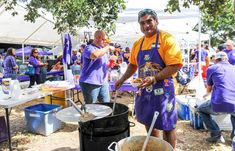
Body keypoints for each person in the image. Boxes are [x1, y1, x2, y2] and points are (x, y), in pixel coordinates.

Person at [115, 9, 182, 149]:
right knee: (150, 123)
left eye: (149, 21)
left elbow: (174, 65)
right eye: (142, 23)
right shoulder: (138, 43)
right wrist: (122, 79)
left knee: (168, 125)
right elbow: (133, 65)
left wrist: (155, 78)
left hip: (163, 90)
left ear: (156, 21)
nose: (146, 26)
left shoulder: (167, 39)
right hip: (144, 89)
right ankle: (156, 148)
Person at [198, 51, 235, 143]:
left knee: (201, 109)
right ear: (227, 59)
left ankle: (216, 134)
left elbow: (209, 87)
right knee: (233, 113)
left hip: (219, 103)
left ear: (216, 60)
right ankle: (234, 137)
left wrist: (207, 94)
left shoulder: (212, 68)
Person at [79, 30, 115, 104]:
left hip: (103, 82)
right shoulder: (89, 48)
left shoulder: (102, 50)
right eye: (104, 39)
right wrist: (107, 47)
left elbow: (104, 65)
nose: (106, 42)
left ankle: (105, 116)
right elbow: (94, 55)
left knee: (106, 105)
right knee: (91, 106)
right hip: (90, 82)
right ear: (99, 38)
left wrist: (110, 64)